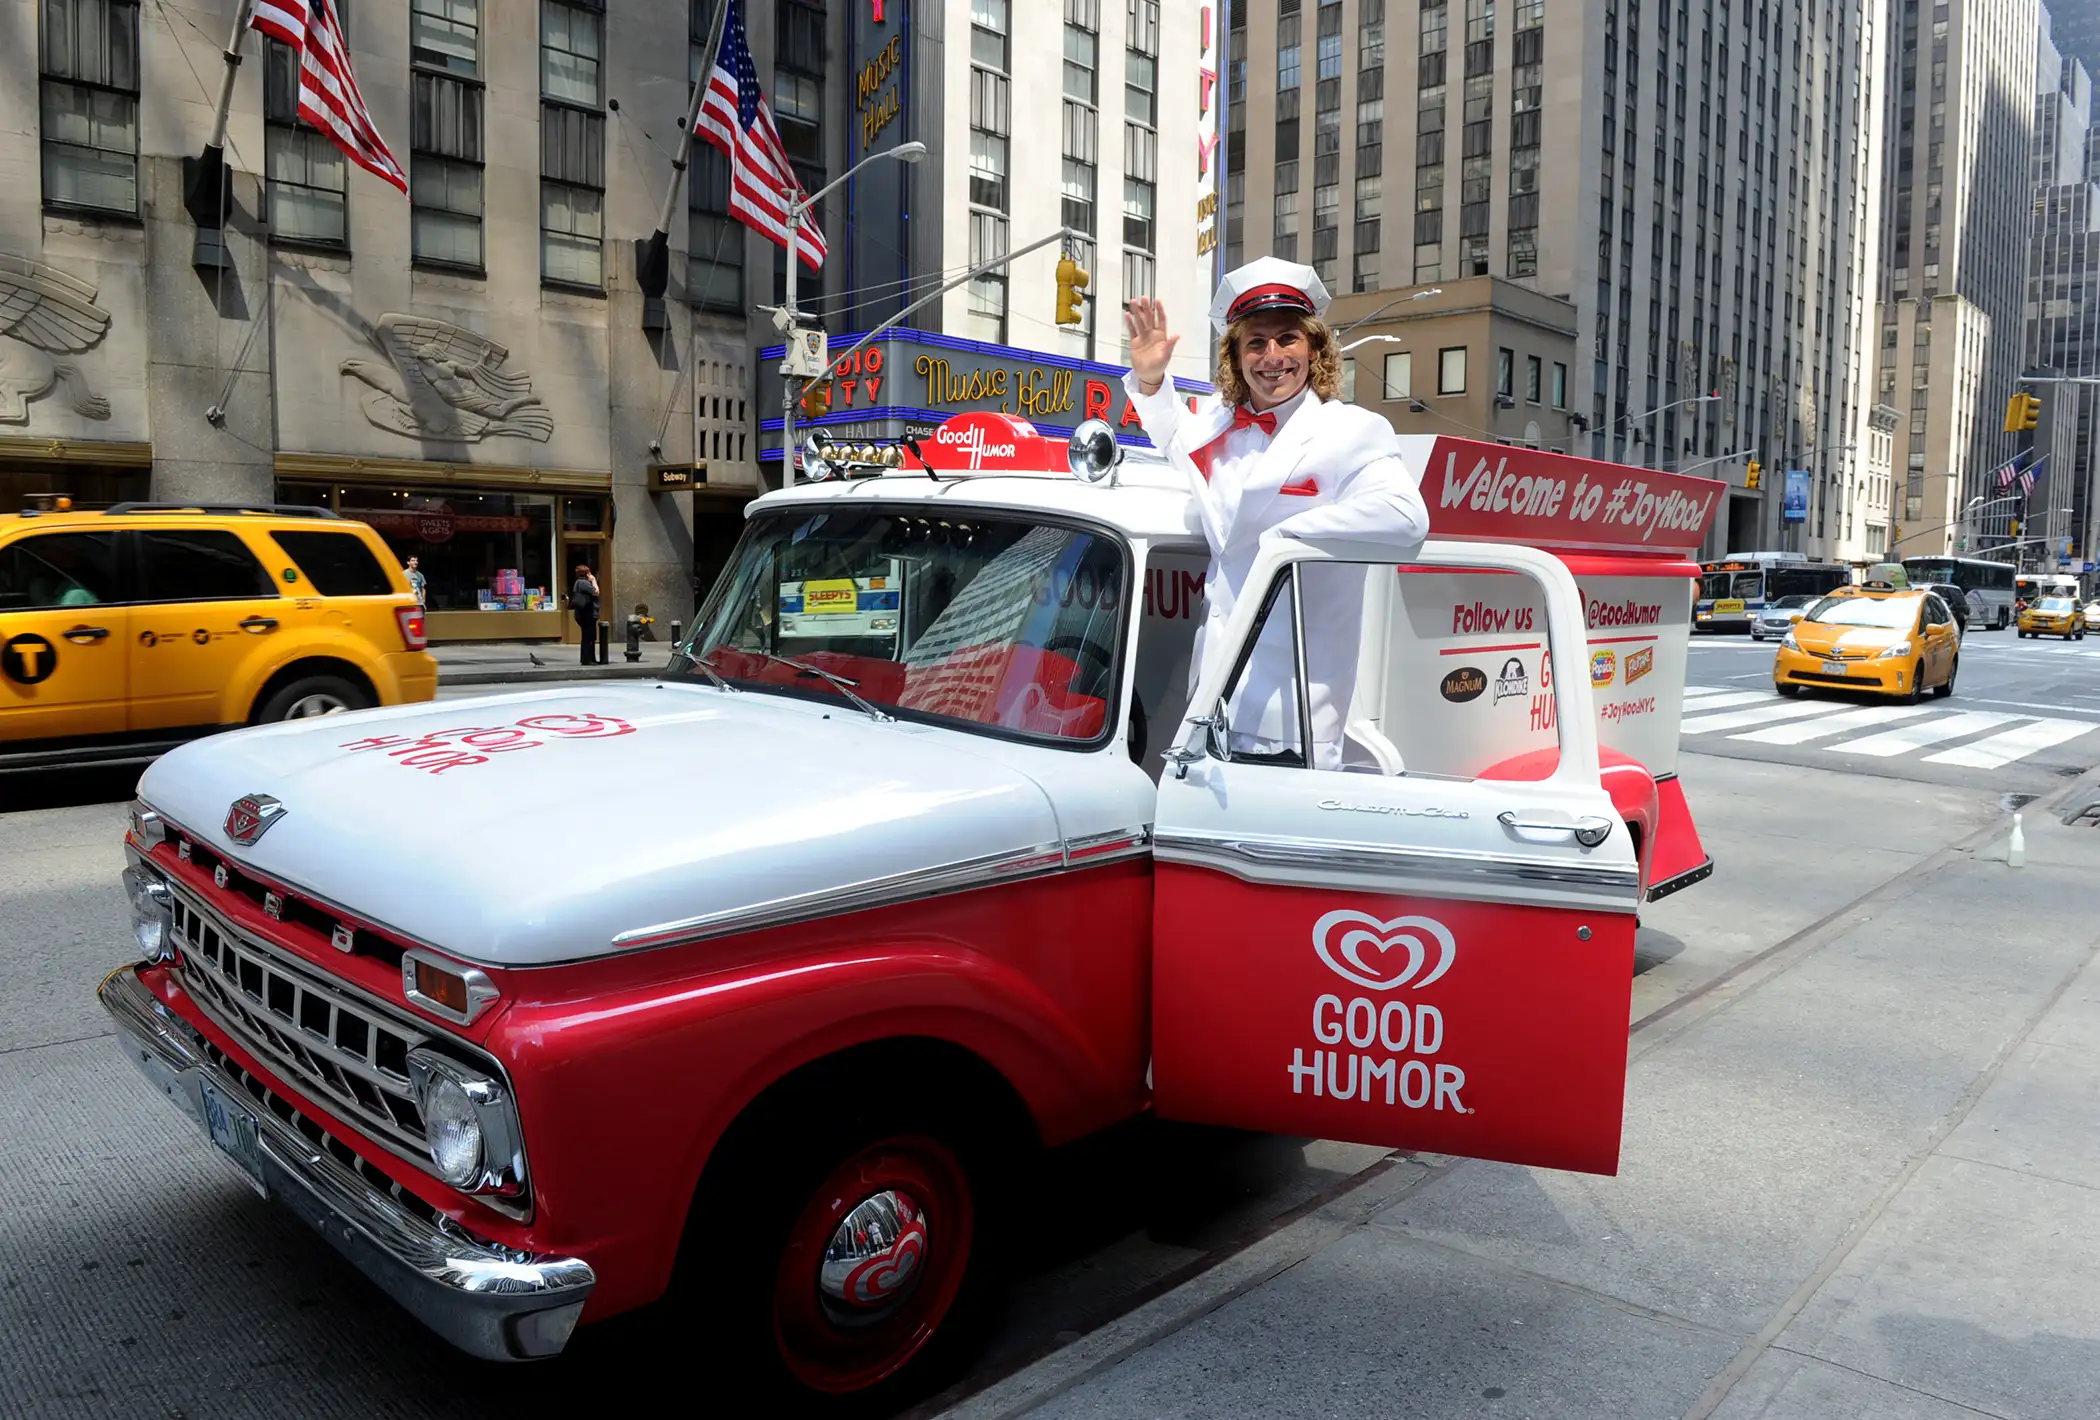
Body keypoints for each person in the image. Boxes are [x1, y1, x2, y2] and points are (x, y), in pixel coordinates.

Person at [1122, 257, 1429, 770]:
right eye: (1256, 343)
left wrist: (1286, 537)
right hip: (1211, 698)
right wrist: (1151, 381)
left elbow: (1406, 518)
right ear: (1236, 356)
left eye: (1287, 339)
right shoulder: (1217, 425)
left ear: (1314, 347)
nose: (1273, 357)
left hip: (1294, 718)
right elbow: (1175, 433)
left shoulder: (1351, 430)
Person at [571, 564, 601, 665]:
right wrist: (594, 580)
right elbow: (596, 592)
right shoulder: (584, 583)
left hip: (581, 613)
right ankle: (587, 659)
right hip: (588, 613)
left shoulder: (577, 582)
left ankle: (588, 658)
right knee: (589, 637)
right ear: (587, 573)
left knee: (587, 637)